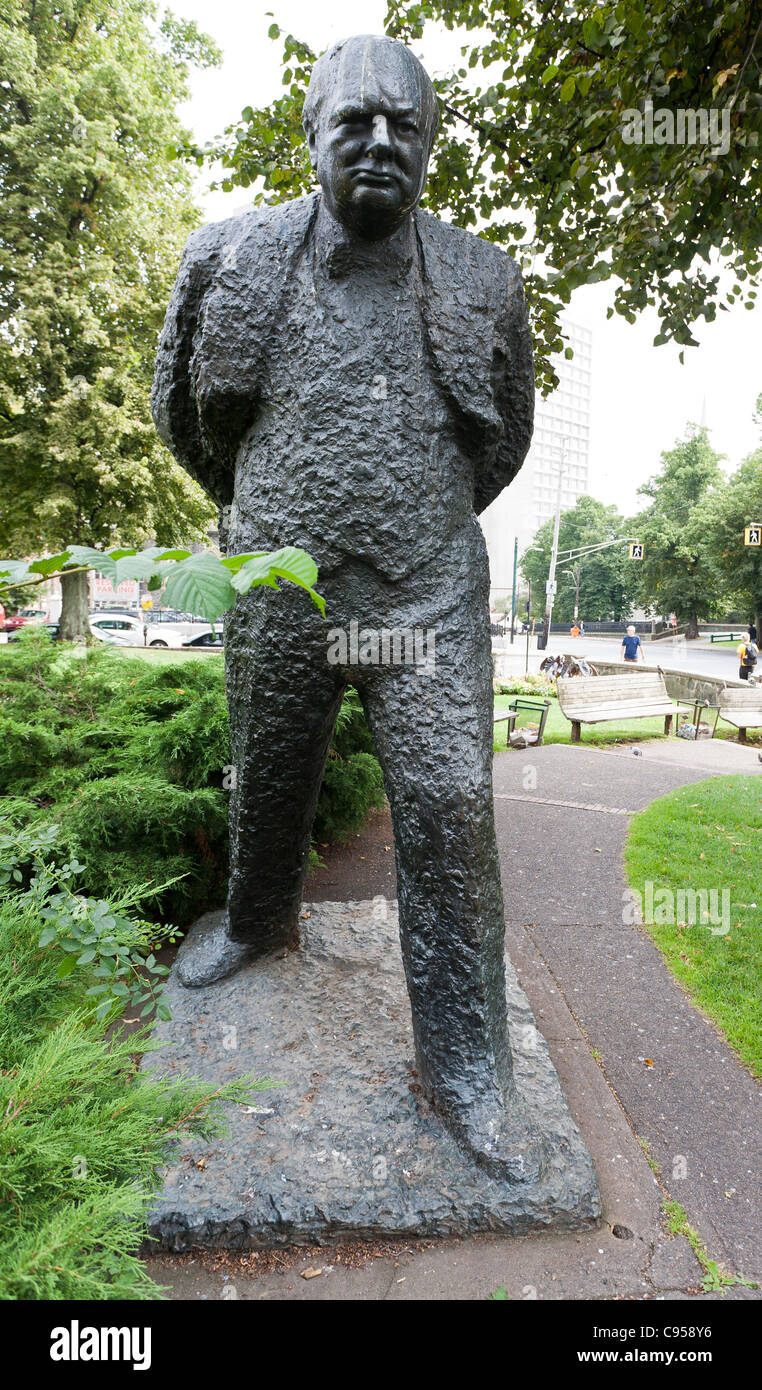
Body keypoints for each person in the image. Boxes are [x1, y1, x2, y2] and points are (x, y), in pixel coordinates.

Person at [152, 35, 540, 1181]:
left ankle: (468, 1072)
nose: (380, 142)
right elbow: (182, 411)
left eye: (404, 126)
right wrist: (254, 516)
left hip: (426, 593)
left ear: (430, 143)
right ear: (310, 130)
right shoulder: (231, 257)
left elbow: (504, 439)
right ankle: (259, 921)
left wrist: (423, 515)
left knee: (452, 802)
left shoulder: (483, 278)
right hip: (282, 581)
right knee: (268, 771)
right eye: (355, 121)